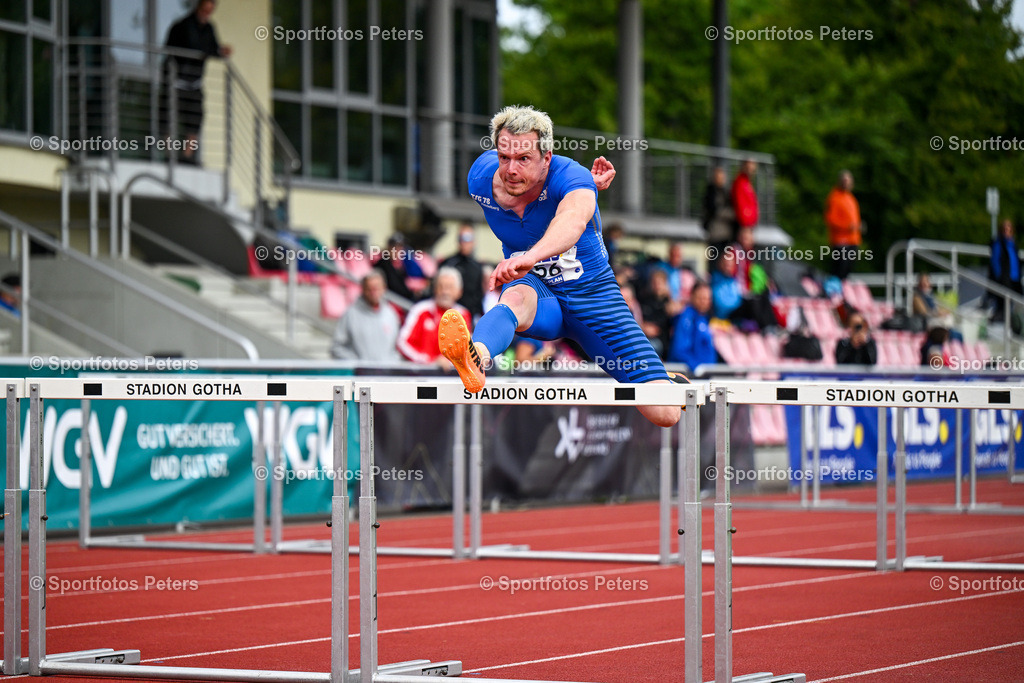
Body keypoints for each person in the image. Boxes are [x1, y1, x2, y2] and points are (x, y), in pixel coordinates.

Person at [437, 105, 682, 428]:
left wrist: (531, 255)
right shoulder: (480, 180)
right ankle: (476, 357)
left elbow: (573, 220)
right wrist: (528, 264)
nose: (511, 170)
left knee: (665, 413)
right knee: (514, 298)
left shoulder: (571, 176)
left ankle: (667, 380)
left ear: (547, 158)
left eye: (524, 159)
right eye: (504, 157)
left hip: (595, 297)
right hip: (540, 293)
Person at [162, 0, 232, 163]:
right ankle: (168, 155)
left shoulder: (209, 28)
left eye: (210, 11)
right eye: (205, 10)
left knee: (196, 119)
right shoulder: (182, 25)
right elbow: (180, 47)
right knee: (168, 118)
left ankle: (188, 156)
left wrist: (221, 51)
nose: (207, 14)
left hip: (195, 83)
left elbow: (212, 49)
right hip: (176, 81)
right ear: (198, 8)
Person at [398, 267, 471, 364]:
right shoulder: (420, 310)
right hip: (421, 370)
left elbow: (466, 350)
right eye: (440, 286)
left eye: (449, 287)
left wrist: (449, 362)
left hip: (451, 372)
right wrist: (430, 361)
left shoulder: (463, 315)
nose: (445, 291)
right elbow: (402, 342)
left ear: (459, 292)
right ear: (434, 289)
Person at [330, 270, 401, 362]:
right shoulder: (350, 314)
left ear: (384, 288)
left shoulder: (391, 314)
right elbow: (337, 347)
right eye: (369, 289)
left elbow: (396, 349)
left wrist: (391, 364)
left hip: (386, 370)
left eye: (376, 288)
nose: (373, 293)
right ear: (363, 289)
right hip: (360, 371)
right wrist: (358, 364)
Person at [709, 251, 776, 332]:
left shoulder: (733, 280)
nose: (728, 267)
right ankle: (765, 328)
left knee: (762, 297)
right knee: (753, 302)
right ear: (720, 264)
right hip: (727, 313)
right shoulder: (716, 279)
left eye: (730, 265)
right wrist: (740, 302)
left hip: (736, 309)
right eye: (726, 264)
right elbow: (721, 302)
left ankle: (772, 326)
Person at [668, 282, 717, 373]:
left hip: (705, 373)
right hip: (691, 375)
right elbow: (679, 350)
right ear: (692, 296)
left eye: (707, 299)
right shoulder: (687, 319)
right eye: (701, 298)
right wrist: (697, 368)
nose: (704, 302)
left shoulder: (703, 318)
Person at [440, 223, 485, 319]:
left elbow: (479, 295)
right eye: (462, 238)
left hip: (470, 317)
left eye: (468, 238)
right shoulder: (448, 263)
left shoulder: (477, 267)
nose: (464, 243)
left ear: (474, 242)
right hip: (449, 315)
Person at [824, 170, 862, 280]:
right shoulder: (834, 198)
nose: (847, 183)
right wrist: (848, 227)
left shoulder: (850, 198)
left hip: (853, 240)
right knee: (839, 270)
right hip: (841, 241)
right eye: (845, 180)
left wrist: (857, 227)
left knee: (847, 271)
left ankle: (842, 288)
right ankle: (834, 288)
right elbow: (831, 219)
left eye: (849, 181)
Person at [988, 218, 1022, 320]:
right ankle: (998, 321)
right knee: (1002, 303)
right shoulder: (999, 243)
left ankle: (1010, 321)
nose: (1007, 232)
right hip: (1004, 277)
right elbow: (995, 261)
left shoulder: (1013, 244)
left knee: (1012, 302)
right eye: (1005, 229)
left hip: (1014, 277)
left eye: (1009, 229)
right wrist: (999, 277)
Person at [703, 166, 735, 251]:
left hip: (727, 233)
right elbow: (715, 210)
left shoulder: (725, 192)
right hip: (716, 233)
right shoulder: (711, 193)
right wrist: (732, 214)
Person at [375, 233, 415, 301]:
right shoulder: (383, 265)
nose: (399, 251)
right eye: (395, 248)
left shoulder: (403, 263)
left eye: (401, 247)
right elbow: (396, 288)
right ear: (389, 248)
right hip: (392, 301)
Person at [731, 159, 758, 232]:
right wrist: (746, 224)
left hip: (748, 224)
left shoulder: (746, 182)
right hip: (744, 225)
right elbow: (740, 204)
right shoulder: (740, 182)